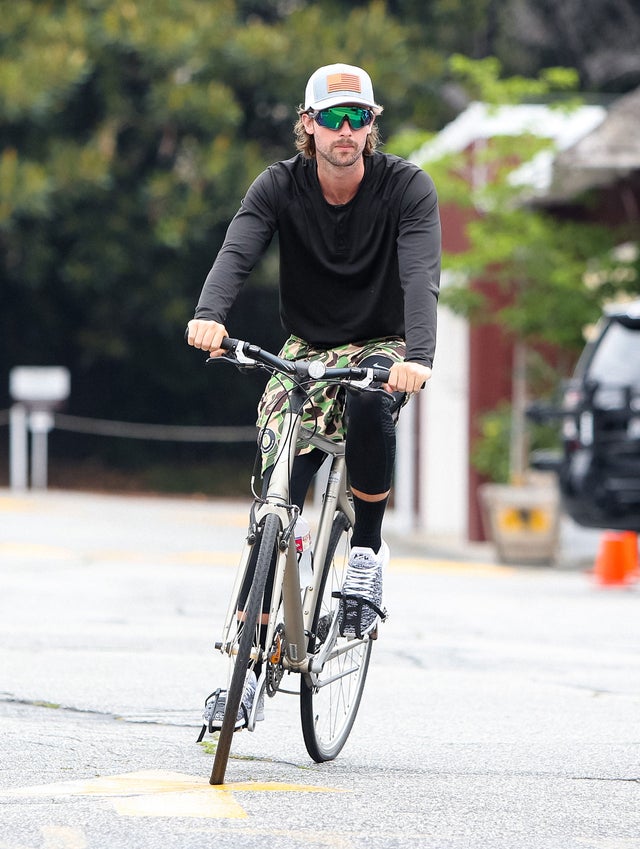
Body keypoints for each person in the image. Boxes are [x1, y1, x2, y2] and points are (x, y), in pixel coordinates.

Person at [188, 62, 441, 731]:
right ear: (308, 125)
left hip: (379, 343)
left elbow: (420, 274)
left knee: (367, 401)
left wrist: (417, 357)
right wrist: (210, 313)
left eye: (359, 118)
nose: (346, 131)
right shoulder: (279, 185)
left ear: (371, 125)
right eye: (332, 118)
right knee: (277, 499)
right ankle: (245, 673)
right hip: (302, 349)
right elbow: (237, 250)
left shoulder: (406, 187)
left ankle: (365, 557)